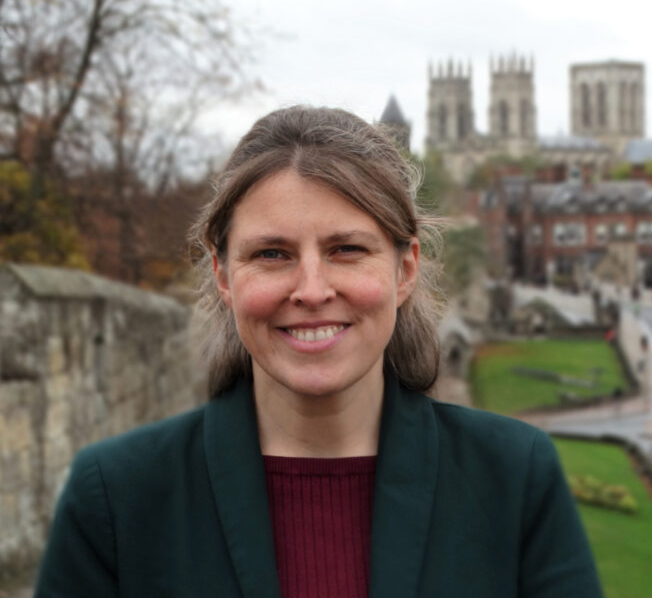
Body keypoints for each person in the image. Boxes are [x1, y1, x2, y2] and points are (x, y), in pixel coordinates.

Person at [35, 106, 602, 597]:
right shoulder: (115, 496)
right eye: (273, 254)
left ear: (404, 270)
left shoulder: (514, 478)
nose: (311, 290)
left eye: (347, 249)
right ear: (223, 275)